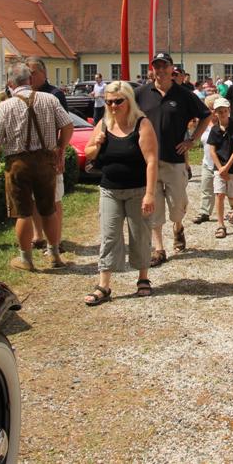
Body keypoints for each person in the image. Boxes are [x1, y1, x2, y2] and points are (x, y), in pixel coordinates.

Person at [0, 62, 73, 272]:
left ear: (9, 83)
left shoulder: (5, 106)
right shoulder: (49, 99)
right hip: (46, 161)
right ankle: (54, 255)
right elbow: (67, 125)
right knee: (49, 209)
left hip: (18, 163)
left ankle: (26, 259)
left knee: (23, 212)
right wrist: (60, 149)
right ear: (30, 80)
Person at [82, 81, 159, 304]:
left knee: (140, 234)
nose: (113, 106)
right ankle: (104, 285)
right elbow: (88, 154)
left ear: (128, 101)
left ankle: (143, 278)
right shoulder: (104, 124)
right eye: (109, 102)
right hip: (110, 190)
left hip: (137, 190)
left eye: (118, 101)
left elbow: (151, 160)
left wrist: (150, 193)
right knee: (109, 235)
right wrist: (96, 144)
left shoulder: (141, 124)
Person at [135, 52, 211, 265]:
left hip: (174, 159)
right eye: (156, 67)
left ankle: (178, 227)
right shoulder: (141, 93)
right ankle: (158, 248)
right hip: (148, 161)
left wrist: (192, 140)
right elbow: (127, 115)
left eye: (163, 66)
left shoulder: (183, 94)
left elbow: (206, 116)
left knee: (177, 205)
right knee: (154, 204)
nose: (159, 71)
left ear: (171, 69)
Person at [21, 57, 69, 253]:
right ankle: (38, 235)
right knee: (33, 199)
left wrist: (61, 152)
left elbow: (65, 126)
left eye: (32, 72)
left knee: (54, 198)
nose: (29, 77)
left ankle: (55, 240)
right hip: (29, 156)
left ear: (43, 73)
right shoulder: (22, 95)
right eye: (27, 73)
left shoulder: (55, 94)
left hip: (50, 154)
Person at [207, 97, 233, 239]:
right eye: (219, 111)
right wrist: (220, 168)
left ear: (228, 111)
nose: (222, 113)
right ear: (215, 113)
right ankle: (220, 225)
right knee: (219, 194)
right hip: (219, 168)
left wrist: (227, 167)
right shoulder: (215, 130)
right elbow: (212, 150)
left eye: (224, 111)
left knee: (232, 195)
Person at [191, 94, 220, 224]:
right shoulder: (204, 124)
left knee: (228, 190)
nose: (212, 111)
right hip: (207, 162)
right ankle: (204, 212)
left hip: (223, 164)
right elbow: (195, 136)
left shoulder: (226, 123)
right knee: (206, 188)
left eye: (214, 108)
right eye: (209, 108)